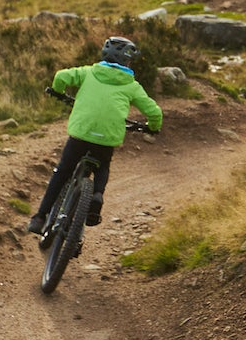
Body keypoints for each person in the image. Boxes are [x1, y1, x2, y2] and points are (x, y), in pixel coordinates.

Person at [26, 36, 163, 235]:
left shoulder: (88, 72)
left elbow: (61, 77)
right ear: (126, 61)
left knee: (63, 171)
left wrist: (58, 92)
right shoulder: (132, 86)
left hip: (80, 134)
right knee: (103, 165)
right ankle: (97, 195)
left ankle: (39, 217)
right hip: (106, 138)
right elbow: (155, 112)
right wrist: (152, 127)